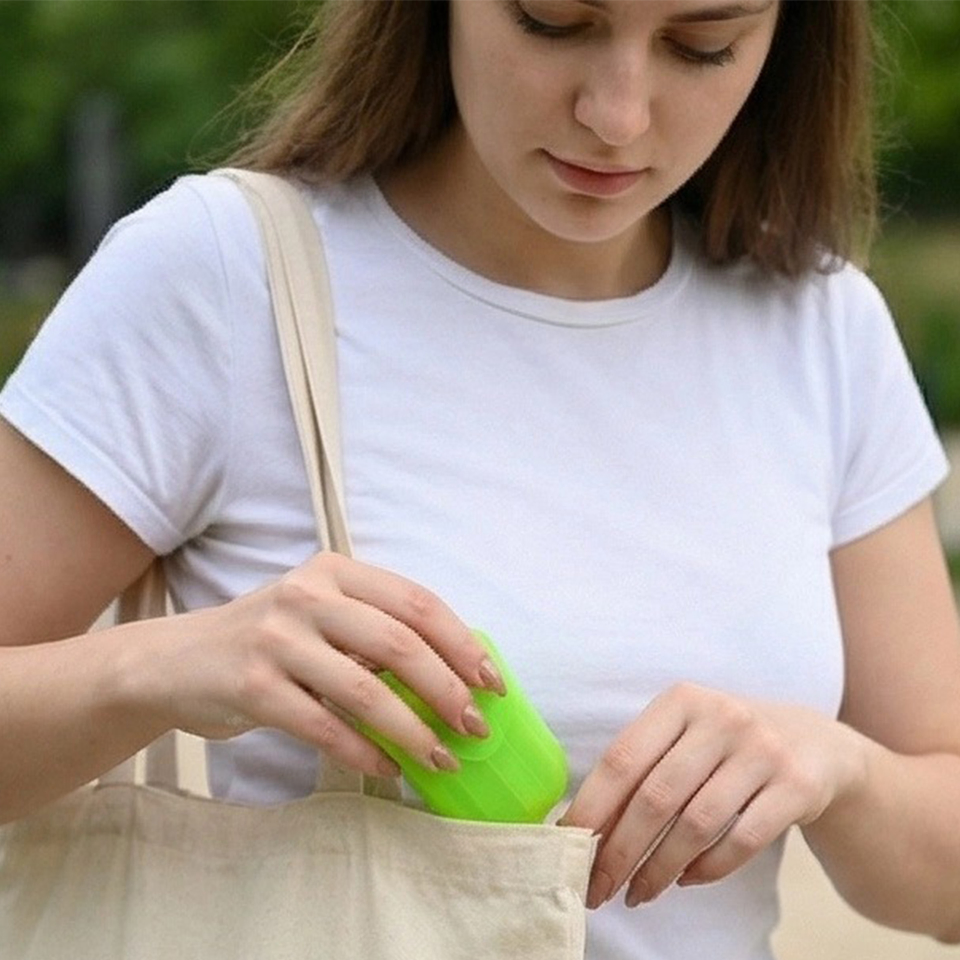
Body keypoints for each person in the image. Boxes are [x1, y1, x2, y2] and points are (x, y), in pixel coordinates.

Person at [2, 1, 960, 957]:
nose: (618, 114)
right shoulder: (226, 275)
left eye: (702, 46)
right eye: (552, 22)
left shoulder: (822, 328)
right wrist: (168, 666)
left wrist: (840, 768)